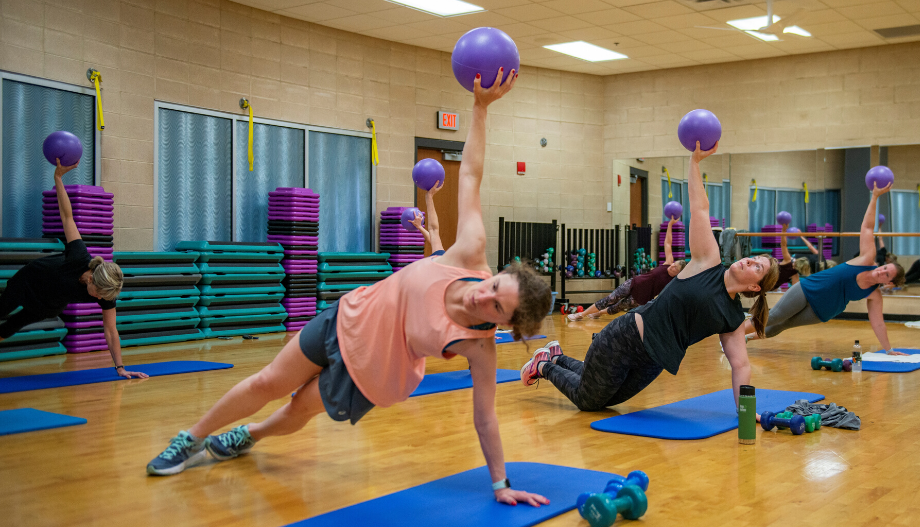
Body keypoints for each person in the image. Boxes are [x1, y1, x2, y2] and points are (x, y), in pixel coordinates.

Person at [147, 69, 552, 507]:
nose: (482, 297)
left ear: (505, 324)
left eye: (495, 308)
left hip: (375, 373)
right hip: (346, 318)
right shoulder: (470, 252)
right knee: (267, 381)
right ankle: (189, 439)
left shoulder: (480, 348)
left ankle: (250, 434)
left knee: (297, 410)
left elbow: (486, 418)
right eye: (494, 286)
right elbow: (470, 175)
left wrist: (499, 484)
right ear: (496, 273)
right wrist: (479, 107)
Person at [520, 141, 779, 412]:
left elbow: (740, 365)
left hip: (653, 362)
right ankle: (545, 366)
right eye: (754, 258)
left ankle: (557, 357)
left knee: (603, 398)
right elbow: (700, 209)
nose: (749, 260)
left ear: (753, 286)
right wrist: (694, 162)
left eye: (757, 267)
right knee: (589, 401)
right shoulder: (707, 262)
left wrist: (747, 412)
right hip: (626, 337)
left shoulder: (733, 318)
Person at [0, 161, 145, 379]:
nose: (100, 299)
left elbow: (110, 330)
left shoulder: (106, 292)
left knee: (11, 326)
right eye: (99, 294)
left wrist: (120, 368)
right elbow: (67, 217)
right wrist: (58, 178)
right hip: (28, 282)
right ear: (91, 280)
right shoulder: (79, 256)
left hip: (48, 304)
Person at [747, 183, 908, 355]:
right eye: (884, 267)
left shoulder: (874, 295)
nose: (881, 271)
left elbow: (878, 323)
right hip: (809, 288)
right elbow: (867, 228)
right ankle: (734, 334)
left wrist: (889, 350)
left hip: (823, 310)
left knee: (780, 326)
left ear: (889, 282)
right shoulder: (867, 258)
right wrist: (875, 196)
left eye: (886, 274)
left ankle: (744, 339)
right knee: (774, 316)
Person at [567, 220, 686, 321]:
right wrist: (670, 225)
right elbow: (668, 244)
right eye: (673, 264)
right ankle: (581, 314)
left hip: (640, 298)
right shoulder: (668, 262)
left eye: (675, 268)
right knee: (610, 299)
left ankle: (599, 313)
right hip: (634, 283)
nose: (672, 266)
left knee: (616, 308)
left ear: (678, 272)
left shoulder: (674, 281)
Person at [409, 181, 445, 257]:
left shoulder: (441, 260)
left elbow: (433, 230)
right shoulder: (442, 259)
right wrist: (419, 227)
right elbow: (433, 233)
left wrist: (429, 197)